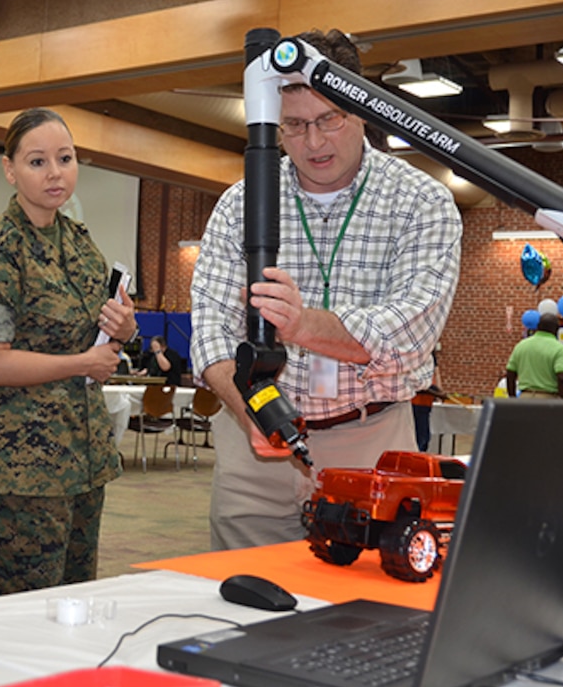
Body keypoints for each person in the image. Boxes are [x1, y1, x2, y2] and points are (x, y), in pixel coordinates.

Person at [190, 29, 463, 551]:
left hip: (371, 442)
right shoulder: (239, 204)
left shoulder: (421, 201)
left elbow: (411, 332)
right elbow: (210, 328)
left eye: (328, 120)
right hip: (257, 444)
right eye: (293, 125)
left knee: (369, 606)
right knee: (249, 602)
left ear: (360, 109)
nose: (313, 143)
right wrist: (248, 410)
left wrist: (303, 325)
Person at [0, 107, 137, 599]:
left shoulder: (82, 246)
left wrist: (123, 329)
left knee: (75, 598)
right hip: (22, 465)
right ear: (10, 170)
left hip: (83, 455)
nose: (54, 173)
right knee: (16, 606)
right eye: (37, 161)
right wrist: (83, 364)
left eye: (64, 159)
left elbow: (98, 338)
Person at [504, 313, 563, 399]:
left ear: (538, 327)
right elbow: (562, 377)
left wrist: (512, 397)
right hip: (548, 399)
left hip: (524, 398)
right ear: (556, 329)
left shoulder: (521, 345)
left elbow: (510, 373)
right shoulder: (559, 349)